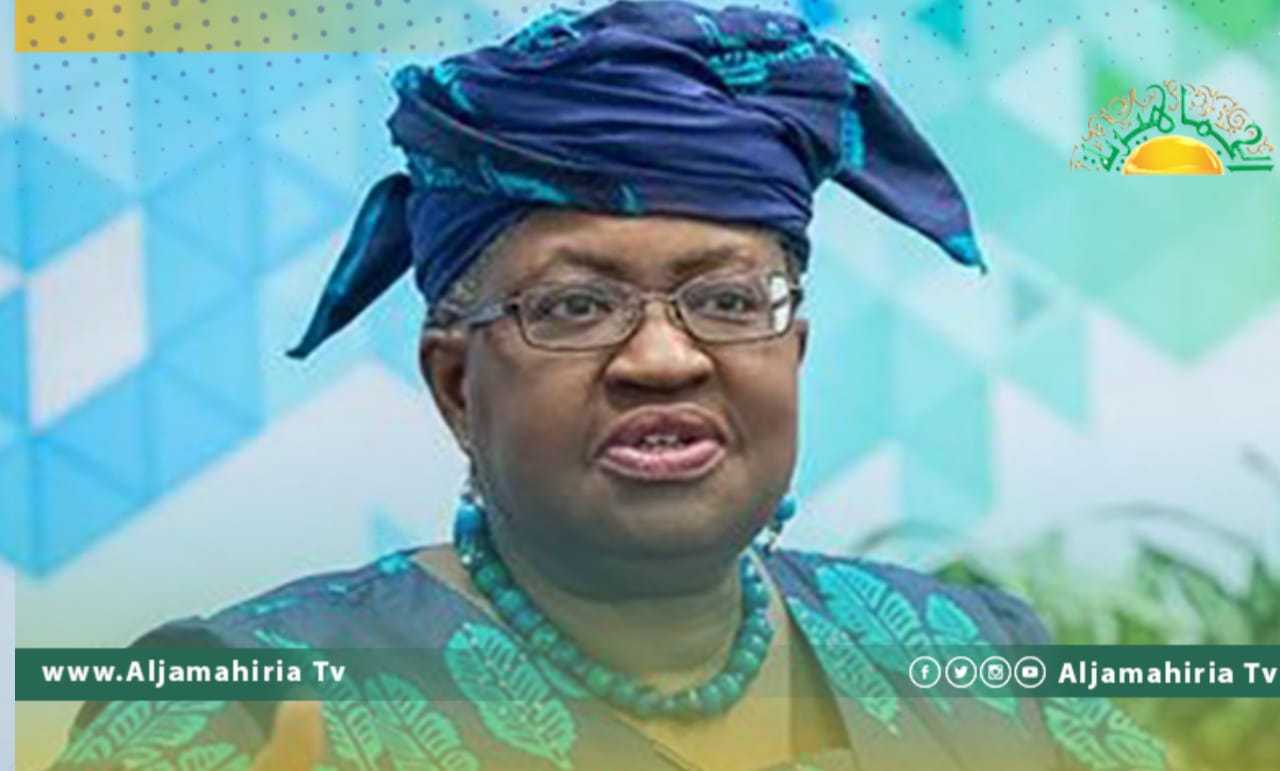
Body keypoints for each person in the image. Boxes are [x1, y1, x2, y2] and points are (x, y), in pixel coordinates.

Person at [49, 3, 1166, 770]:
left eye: (726, 300)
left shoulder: (982, 661)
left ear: (793, 353)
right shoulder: (245, 704)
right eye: (575, 307)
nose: (663, 359)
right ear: (455, 382)